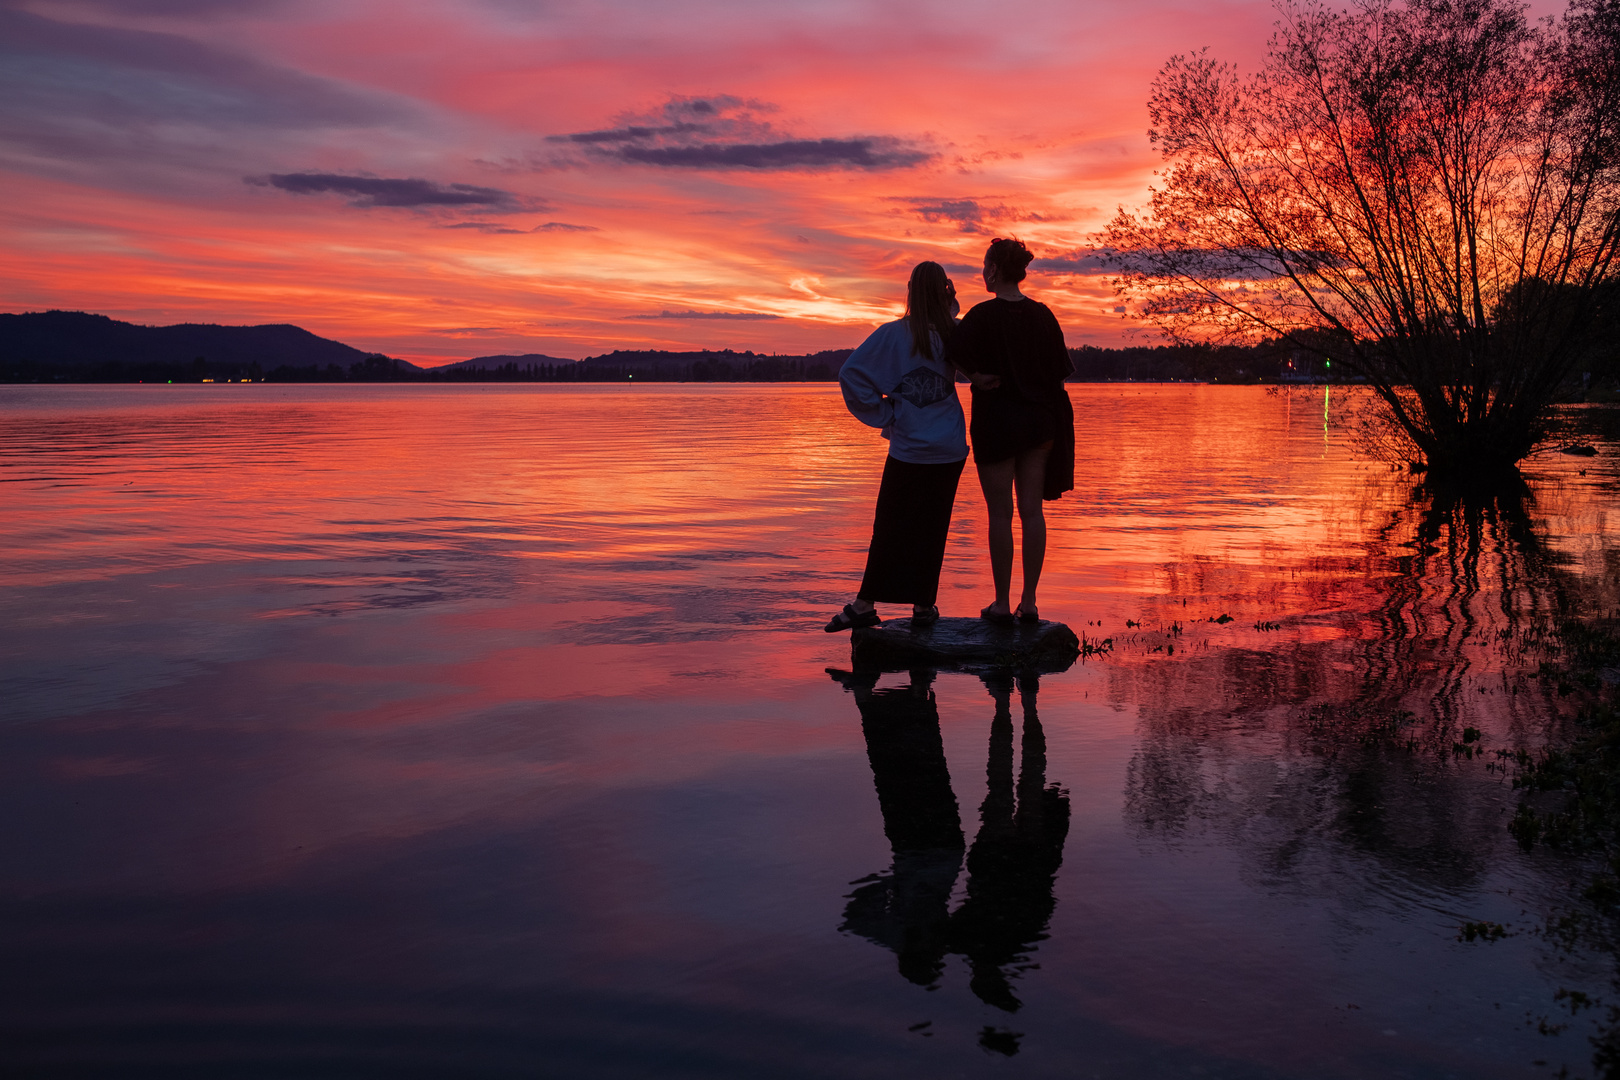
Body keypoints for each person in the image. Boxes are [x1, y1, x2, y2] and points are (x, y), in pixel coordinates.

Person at [825, 262, 969, 632]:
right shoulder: (954, 333)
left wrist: (884, 412)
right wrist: (949, 305)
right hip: (948, 446)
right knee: (932, 528)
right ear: (945, 291)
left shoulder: (893, 335)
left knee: (890, 526)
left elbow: (850, 374)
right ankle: (922, 607)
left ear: (909, 291)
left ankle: (865, 604)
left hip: (909, 446)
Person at [945, 237, 1075, 624]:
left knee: (1000, 515)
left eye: (985, 264)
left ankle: (1002, 604)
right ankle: (1030, 603)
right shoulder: (1043, 315)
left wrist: (974, 375)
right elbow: (1059, 372)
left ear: (996, 270)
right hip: (1038, 424)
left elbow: (951, 354)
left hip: (998, 424)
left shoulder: (981, 316)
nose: (982, 271)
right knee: (1031, 513)